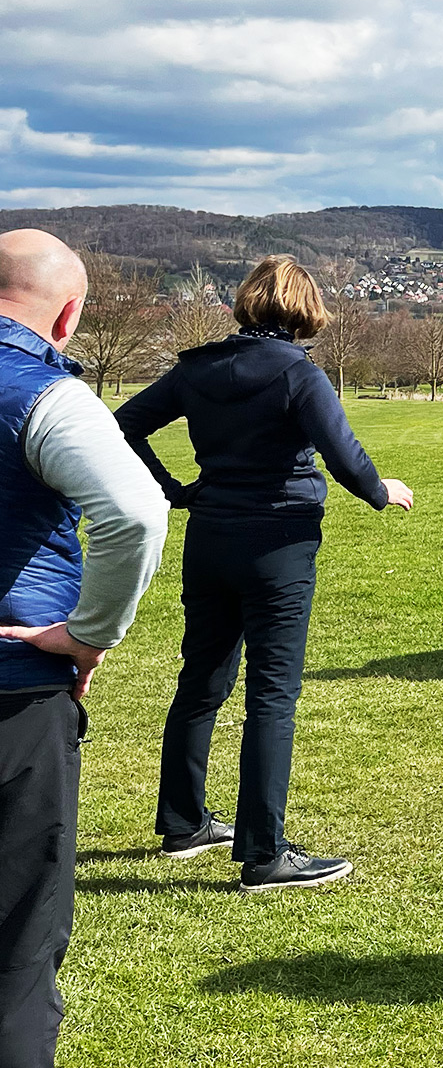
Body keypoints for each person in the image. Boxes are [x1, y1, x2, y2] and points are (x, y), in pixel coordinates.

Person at [115, 255, 414, 892]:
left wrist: (174, 490)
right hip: (279, 542)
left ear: (246, 304)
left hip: (212, 536)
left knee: (201, 679)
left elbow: (124, 428)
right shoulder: (299, 373)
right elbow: (344, 455)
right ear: (305, 312)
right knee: (272, 693)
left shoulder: (196, 369)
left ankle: (183, 823)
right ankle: (263, 854)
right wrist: (380, 492)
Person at [0, 229, 169, 1068]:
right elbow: (135, 513)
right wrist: (90, 632)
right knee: (17, 945)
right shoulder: (44, 394)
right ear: (68, 316)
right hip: (12, 696)